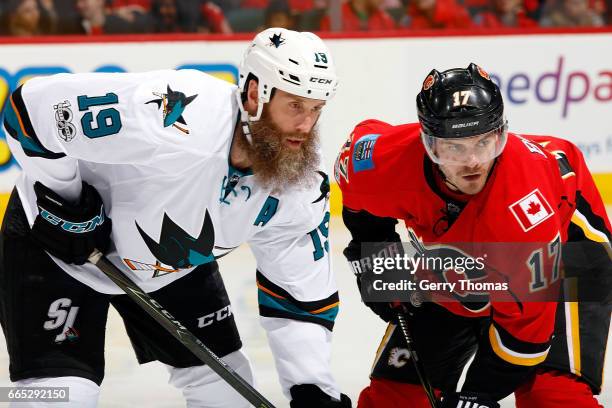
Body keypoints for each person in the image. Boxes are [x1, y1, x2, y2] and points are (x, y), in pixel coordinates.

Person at [0, 27, 351, 408]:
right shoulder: (173, 112)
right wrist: (67, 202)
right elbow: (27, 111)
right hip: (57, 251)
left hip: (173, 263)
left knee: (228, 395)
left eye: (316, 108)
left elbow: (299, 297)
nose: (306, 125)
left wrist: (311, 390)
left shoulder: (299, 185)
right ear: (255, 94)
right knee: (59, 397)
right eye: (295, 106)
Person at [335, 63, 610, 407]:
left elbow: (527, 340)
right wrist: (377, 259)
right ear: (428, 143)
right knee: (395, 399)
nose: (473, 162)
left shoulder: (525, 214)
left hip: (570, 246)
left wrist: (476, 395)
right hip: (461, 257)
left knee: (551, 397)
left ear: (500, 134)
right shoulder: (383, 163)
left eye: (484, 142)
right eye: (454, 147)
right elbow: (358, 182)